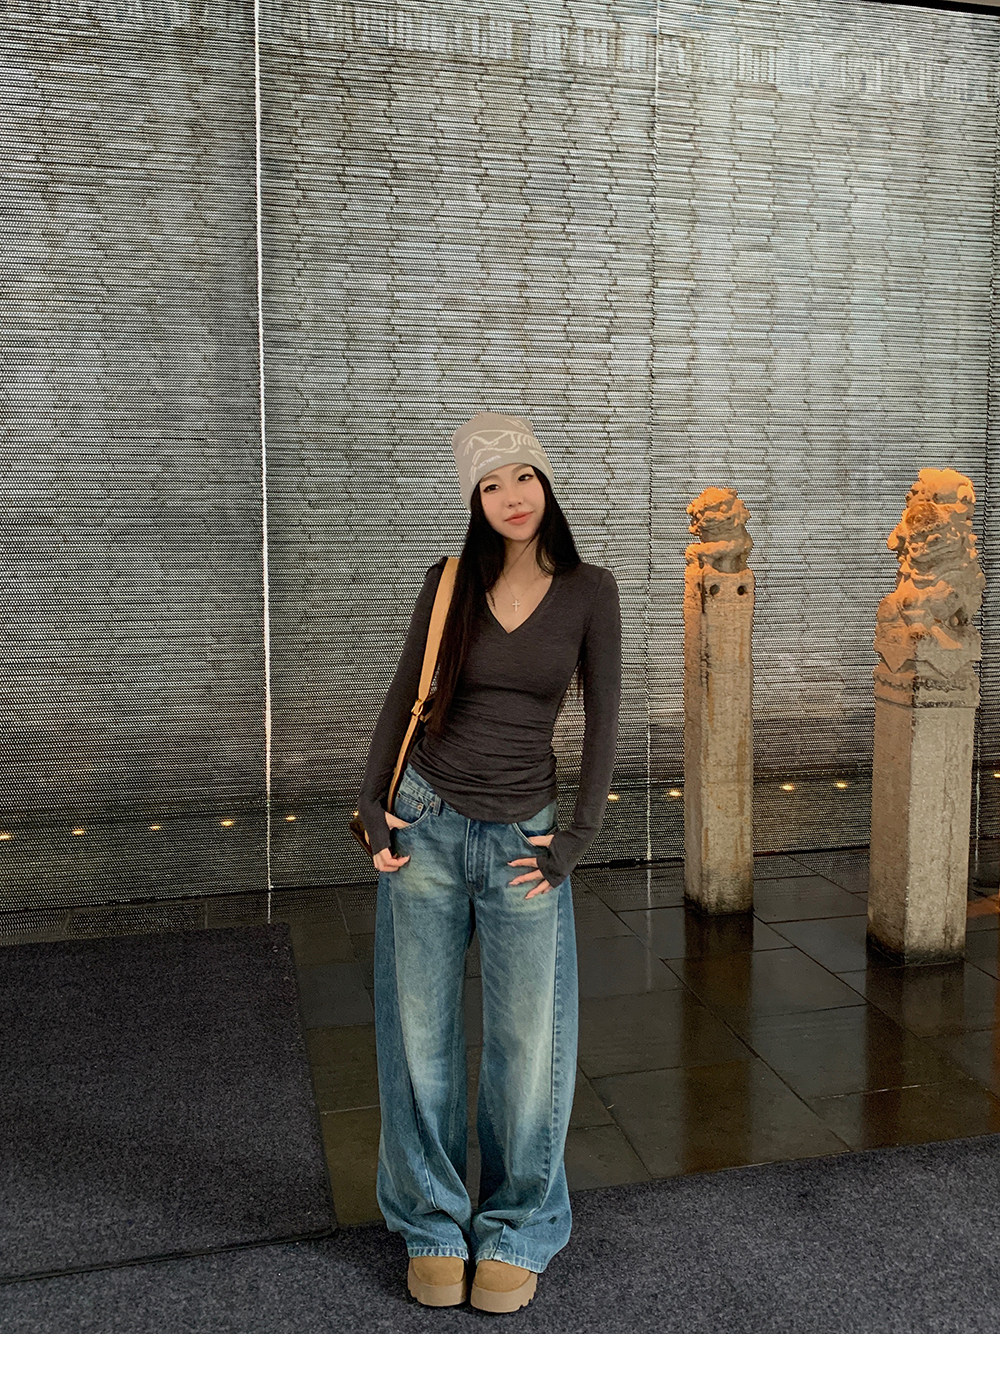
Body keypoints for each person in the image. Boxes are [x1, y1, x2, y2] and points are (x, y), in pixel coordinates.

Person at [355, 411, 622, 1313]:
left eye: (524, 477)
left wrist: (577, 836)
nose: (512, 496)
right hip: (426, 822)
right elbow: (405, 693)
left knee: (527, 1044)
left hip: (523, 843)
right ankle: (431, 1221)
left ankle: (517, 1226)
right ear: (474, 500)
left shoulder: (590, 590)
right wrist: (370, 807)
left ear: (547, 486)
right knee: (418, 1037)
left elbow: (605, 722)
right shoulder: (449, 582)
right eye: (491, 484)